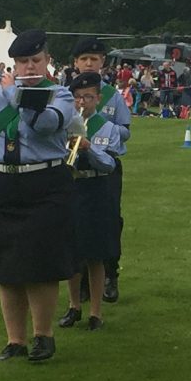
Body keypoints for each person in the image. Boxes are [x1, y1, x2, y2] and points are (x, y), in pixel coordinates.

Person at [0, 30, 78, 364]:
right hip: (2, 180)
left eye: (35, 60)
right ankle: (14, 339)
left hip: (44, 181)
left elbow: (47, 124)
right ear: (13, 63)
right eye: (22, 62)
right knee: (5, 263)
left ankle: (43, 336)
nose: (29, 67)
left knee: (40, 264)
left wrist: (15, 96)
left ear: (47, 62)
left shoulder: (60, 94)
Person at [58, 73, 124, 332]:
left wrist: (89, 148)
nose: (82, 102)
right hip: (73, 187)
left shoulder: (107, 128)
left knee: (95, 254)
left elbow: (110, 163)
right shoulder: (65, 126)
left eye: (88, 97)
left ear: (97, 98)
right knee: (72, 252)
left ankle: (96, 311)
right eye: (77, 97)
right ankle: (74, 305)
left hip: (96, 188)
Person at [72, 38, 131, 303]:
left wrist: (104, 131)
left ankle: (110, 275)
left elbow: (125, 129)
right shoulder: (67, 93)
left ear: (102, 63)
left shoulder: (111, 96)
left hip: (106, 163)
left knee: (109, 221)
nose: (88, 63)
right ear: (75, 62)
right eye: (83, 58)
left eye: (93, 59)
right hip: (74, 167)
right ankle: (81, 280)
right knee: (75, 222)